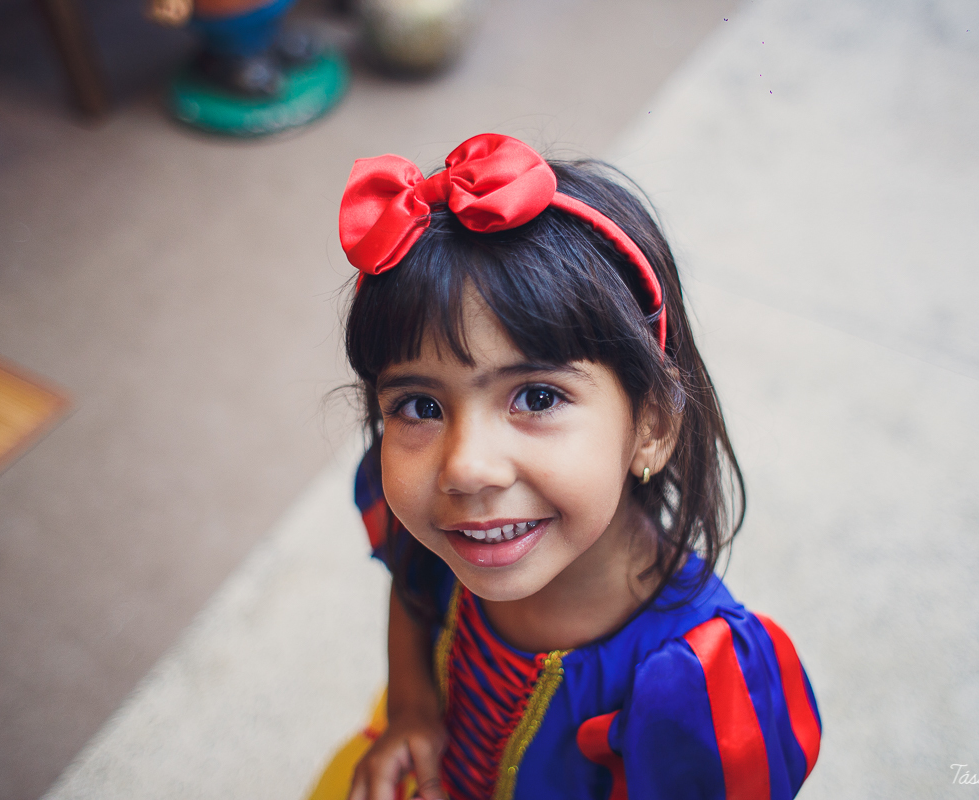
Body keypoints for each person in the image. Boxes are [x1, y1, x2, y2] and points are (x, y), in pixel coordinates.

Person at [311, 133, 821, 800]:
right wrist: (411, 706)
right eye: (419, 405)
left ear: (653, 425)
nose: (465, 468)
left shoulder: (695, 679)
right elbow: (412, 586)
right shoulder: (441, 521)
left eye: (538, 397)